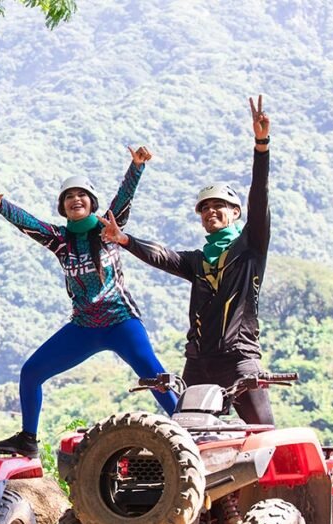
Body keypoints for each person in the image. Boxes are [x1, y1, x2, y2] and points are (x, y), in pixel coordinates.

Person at [0, 156, 178, 457]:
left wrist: (136, 166)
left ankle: (191, 427)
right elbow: (29, 224)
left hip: (121, 321)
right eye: (68, 196)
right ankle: (28, 439)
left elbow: (124, 197)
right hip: (84, 327)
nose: (75, 199)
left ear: (91, 201)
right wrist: (0, 204)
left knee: (155, 376)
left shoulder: (108, 228)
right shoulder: (60, 240)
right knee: (31, 372)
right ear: (63, 207)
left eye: (81, 194)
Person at [101, 95, 274, 425]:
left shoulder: (250, 246)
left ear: (235, 213)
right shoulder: (197, 261)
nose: (210, 211)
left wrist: (261, 146)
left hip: (240, 358)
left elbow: (260, 196)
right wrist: (123, 239)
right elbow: (162, 256)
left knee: (264, 433)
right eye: (204, 208)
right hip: (199, 362)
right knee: (186, 438)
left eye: (218, 205)